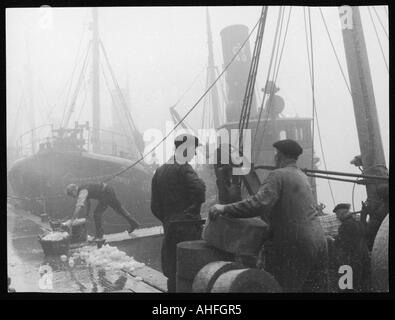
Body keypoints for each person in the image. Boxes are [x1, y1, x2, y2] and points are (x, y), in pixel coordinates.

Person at [209, 139, 328, 292]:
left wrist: (224, 208)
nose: (275, 158)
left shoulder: (277, 175)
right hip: (319, 242)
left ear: (280, 156)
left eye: (276, 154)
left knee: (282, 288)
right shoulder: (301, 176)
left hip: (295, 245)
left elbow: (259, 203)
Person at [151, 133, 206, 292]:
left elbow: (154, 206)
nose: (195, 153)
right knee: (191, 267)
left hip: (170, 226)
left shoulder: (160, 171)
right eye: (193, 149)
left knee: (172, 268)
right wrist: (193, 211)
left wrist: (168, 219)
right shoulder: (183, 167)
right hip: (188, 227)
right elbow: (199, 188)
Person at [65, 182, 140, 240]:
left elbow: (79, 206)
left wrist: (72, 220)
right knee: (119, 209)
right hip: (108, 190)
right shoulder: (83, 188)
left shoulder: (82, 191)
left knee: (97, 214)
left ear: (74, 190)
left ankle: (99, 236)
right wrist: (87, 214)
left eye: (72, 195)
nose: (73, 197)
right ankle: (134, 223)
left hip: (105, 193)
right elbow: (88, 202)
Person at [332, 203, 370, 292]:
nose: (337, 218)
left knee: (348, 289)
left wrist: (333, 240)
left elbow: (342, 245)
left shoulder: (345, 226)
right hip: (364, 261)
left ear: (342, 213)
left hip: (351, 265)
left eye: (337, 215)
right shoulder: (358, 224)